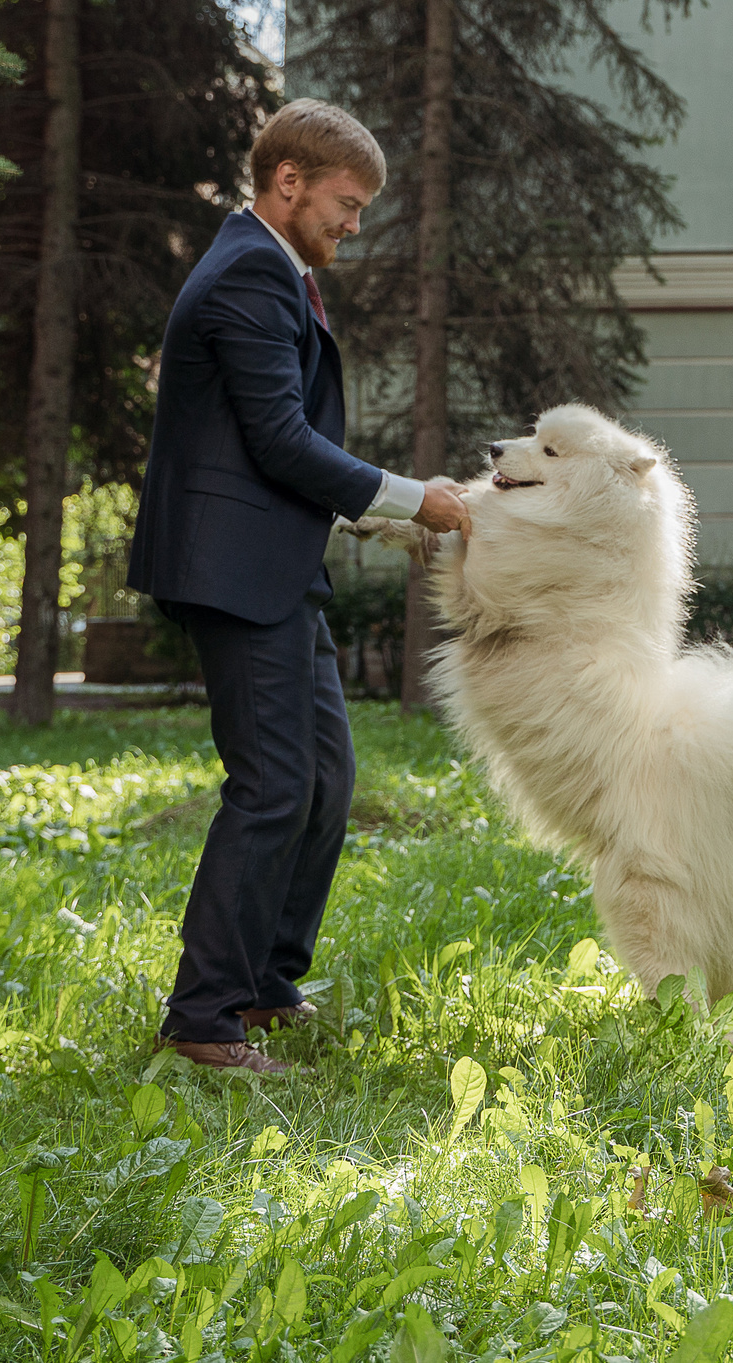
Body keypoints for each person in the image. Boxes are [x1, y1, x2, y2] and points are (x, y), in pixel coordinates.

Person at [127, 99, 469, 1074]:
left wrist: (386, 517)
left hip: (267, 565)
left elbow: (261, 448)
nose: (353, 226)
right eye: (346, 205)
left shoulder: (268, 271)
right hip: (233, 573)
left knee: (324, 782)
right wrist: (414, 500)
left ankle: (267, 985)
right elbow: (279, 440)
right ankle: (203, 1017)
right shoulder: (247, 274)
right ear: (288, 184)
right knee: (275, 785)